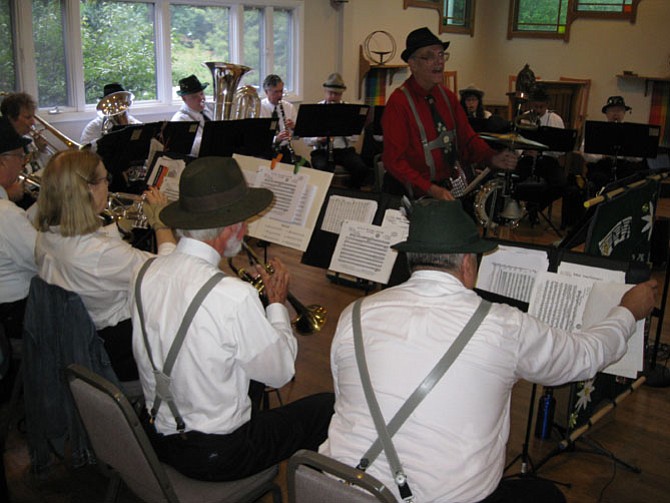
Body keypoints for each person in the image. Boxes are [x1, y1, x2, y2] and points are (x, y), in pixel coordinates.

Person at [321, 199, 657, 503]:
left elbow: (346, 395)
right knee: (544, 495)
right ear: (468, 263)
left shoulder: (354, 313)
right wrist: (626, 312)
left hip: (336, 490)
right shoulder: (503, 326)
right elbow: (584, 357)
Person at [130, 156, 334, 481]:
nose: (248, 228)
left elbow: (178, 264)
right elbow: (281, 373)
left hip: (156, 435)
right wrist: (277, 304)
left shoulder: (144, 270)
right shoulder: (233, 296)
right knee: (328, 407)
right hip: (218, 454)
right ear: (228, 229)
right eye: (244, 221)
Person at [34, 149, 175, 381]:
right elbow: (170, 270)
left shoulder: (47, 235)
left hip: (78, 342)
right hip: (119, 352)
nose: (108, 186)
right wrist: (161, 223)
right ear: (88, 189)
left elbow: (87, 247)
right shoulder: (102, 254)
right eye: (104, 180)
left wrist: (120, 228)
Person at [382, 27, 516, 201]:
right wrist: (430, 189)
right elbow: (394, 162)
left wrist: (492, 158)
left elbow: (467, 139)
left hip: (442, 190)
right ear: (413, 64)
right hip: (408, 195)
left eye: (441, 55)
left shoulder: (447, 97)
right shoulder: (398, 103)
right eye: (429, 56)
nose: (439, 62)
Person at [0, 117, 38, 339]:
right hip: (14, 317)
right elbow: (41, 260)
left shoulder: (8, 211)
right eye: (19, 156)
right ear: (2, 161)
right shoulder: (6, 213)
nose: (23, 162)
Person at [303, 73, 370, 188]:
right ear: (325, 92)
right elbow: (306, 139)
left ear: (341, 94)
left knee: (361, 168)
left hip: (344, 151)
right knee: (322, 168)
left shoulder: (349, 110)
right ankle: (325, 194)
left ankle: (351, 192)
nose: (333, 97)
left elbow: (356, 137)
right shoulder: (316, 110)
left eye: (337, 94)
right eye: (330, 93)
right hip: (322, 151)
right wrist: (318, 139)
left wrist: (343, 129)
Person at [584, 96, 643, 192]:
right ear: (606, 113)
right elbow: (586, 154)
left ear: (624, 113)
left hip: (623, 166)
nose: (616, 113)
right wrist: (602, 156)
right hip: (602, 165)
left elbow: (639, 157)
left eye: (619, 110)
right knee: (598, 178)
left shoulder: (631, 131)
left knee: (633, 178)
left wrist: (626, 154)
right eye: (612, 110)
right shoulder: (597, 130)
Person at [260, 74, 308, 166]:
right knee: (275, 168)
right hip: (267, 151)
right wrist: (276, 139)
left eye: (281, 91)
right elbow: (259, 137)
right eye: (276, 92)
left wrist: (294, 128)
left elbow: (298, 136)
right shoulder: (260, 108)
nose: (280, 95)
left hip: (284, 150)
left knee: (305, 165)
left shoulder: (288, 107)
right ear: (267, 92)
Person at [0, 92, 50, 174]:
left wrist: (42, 150)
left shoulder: (27, 138)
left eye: (33, 117)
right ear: (11, 117)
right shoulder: (4, 142)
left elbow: (37, 168)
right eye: (28, 117)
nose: (33, 122)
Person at [171, 75, 212, 157]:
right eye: (195, 97)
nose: (201, 98)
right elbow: (192, 148)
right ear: (184, 99)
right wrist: (215, 138)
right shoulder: (180, 119)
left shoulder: (211, 108)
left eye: (201, 94)